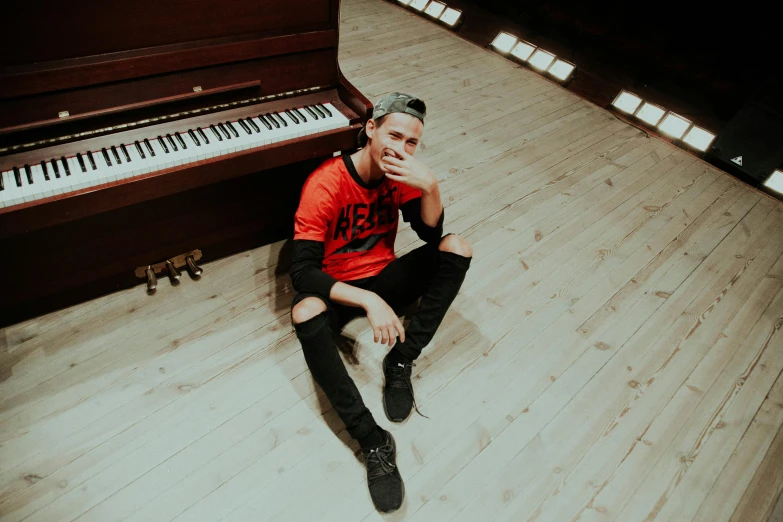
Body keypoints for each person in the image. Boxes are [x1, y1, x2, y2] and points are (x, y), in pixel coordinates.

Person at [289, 92, 472, 512]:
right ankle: (373, 442)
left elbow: (430, 234)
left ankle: (402, 360)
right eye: (394, 135)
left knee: (457, 246)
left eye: (412, 143)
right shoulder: (325, 183)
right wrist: (368, 301)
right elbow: (303, 272)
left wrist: (430, 185)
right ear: (370, 130)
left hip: (382, 277)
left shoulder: (401, 175)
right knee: (304, 310)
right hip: (340, 287)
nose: (401, 149)